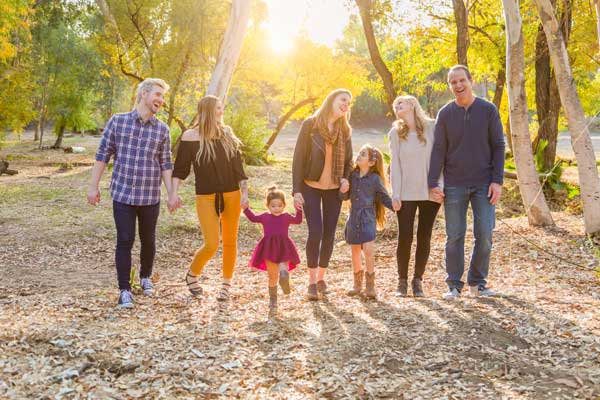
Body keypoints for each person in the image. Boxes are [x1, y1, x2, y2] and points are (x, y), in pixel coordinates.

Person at [87, 78, 176, 309]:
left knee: (148, 240)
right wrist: (93, 186)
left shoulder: (162, 130)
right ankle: (124, 290)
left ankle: (145, 276)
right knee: (125, 240)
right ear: (144, 94)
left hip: (149, 196)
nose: (160, 100)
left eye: (163, 97)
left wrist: (171, 194)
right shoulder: (118, 122)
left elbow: (166, 164)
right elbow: (102, 156)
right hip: (123, 194)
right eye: (157, 94)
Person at [428, 65, 505, 300]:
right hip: (454, 184)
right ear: (450, 86)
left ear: (471, 81)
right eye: (453, 82)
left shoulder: (488, 110)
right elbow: (439, 149)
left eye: (462, 80)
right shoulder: (445, 113)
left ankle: (477, 283)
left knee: (485, 234)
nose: (458, 86)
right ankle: (453, 284)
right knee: (455, 235)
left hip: (484, 183)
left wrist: (497, 181)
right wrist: (433, 182)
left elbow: (499, 146)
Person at [171, 95, 248, 301]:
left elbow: (238, 167)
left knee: (230, 241)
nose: (221, 112)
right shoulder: (190, 137)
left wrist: (245, 192)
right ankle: (192, 275)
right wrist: (173, 193)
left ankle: (226, 284)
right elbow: (180, 169)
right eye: (217, 109)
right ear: (206, 111)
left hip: (232, 194)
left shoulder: (227, 134)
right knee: (212, 243)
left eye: (222, 108)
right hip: (205, 196)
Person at [291, 88, 353, 301]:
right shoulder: (311, 124)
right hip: (310, 185)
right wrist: (296, 190)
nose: (346, 104)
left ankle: (321, 278)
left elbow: (349, 161)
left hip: (334, 188)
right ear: (332, 100)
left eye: (349, 102)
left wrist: (346, 179)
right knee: (315, 231)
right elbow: (298, 158)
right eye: (343, 99)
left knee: (329, 234)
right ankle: (310, 281)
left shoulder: (344, 130)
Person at [388, 95, 443, 298]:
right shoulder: (395, 133)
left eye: (400, 103)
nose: (397, 107)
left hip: (430, 191)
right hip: (406, 193)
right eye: (395, 105)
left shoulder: (432, 127)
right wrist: (396, 194)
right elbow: (395, 166)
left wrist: (440, 186)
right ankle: (402, 281)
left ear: (412, 104)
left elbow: (441, 158)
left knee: (424, 235)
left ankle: (417, 280)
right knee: (405, 236)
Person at [342, 144, 394, 300]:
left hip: (367, 217)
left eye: (363, 154)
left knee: (369, 251)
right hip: (353, 217)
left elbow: (384, 197)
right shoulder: (352, 176)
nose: (359, 155)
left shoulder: (375, 179)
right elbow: (344, 197)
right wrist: (342, 190)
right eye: (359, 153)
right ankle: (357, 285)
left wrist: (395, 206)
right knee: (355, 251)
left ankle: (370, 286)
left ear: (371, 162)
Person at [242, 186, 302, 318]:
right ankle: (273, 300)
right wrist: (245, 209)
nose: (277, 208)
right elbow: (253, 218)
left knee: (283, 268)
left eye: (280, 205)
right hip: (269, 249)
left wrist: (299, 209)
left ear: (284, 205)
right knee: (272, 276)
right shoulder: (265, 217)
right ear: (268, 206)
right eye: (273, 206)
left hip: (284, 246)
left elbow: (298, 220)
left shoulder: (286, 216)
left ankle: (284, 277)